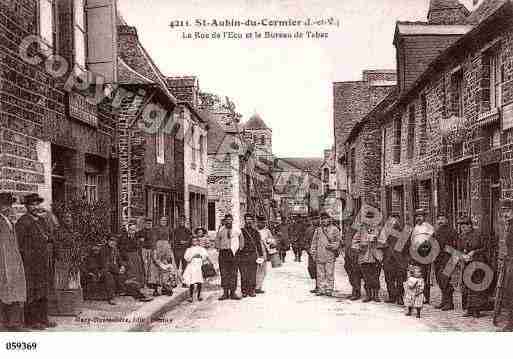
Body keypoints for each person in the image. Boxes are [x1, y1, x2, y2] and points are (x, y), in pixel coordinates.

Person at [15, 193, 56, 330]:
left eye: (38, 203)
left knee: (43, 291)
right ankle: (31, 321)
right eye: (32, 204)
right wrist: (28, 258)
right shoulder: (23, 222)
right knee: (32, 292)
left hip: (43, 262)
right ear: (27, 206)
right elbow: (19, 245)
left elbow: (50, 236)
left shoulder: (42, 220)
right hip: (30, 264)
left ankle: (43, 319)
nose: (36, 207)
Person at [0, 193, 26, 331]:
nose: (9, 208)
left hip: (13, 262)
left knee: (15, 291)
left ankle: (14, 323)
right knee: (4, 291)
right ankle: (4, 323)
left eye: (9, 204)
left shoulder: (10, 222)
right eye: (5, 205)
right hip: (3, 263)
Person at [459, 216, 487, 318]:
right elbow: (459, 249)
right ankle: (469, 309)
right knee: (467, 286)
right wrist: (462, 255)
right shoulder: (461, 236)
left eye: (465, 226)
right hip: (467, 263)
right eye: (462, 227)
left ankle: (477, 310)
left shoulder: (478, 234)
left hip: (479, 263)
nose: (463, 229)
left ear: (470, 225)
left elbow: (485, 248)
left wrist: (474, 252)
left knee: (476, 286)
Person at [380, 212, 409, 305]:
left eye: (396, 219)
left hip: (400, 260)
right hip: (388, 259)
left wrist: (406, 260)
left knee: (400, 280)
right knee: (389, 279)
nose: (394, 221)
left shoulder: (404, 232)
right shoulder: (385, 231)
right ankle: (392, 296)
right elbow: (380, 244)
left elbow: (407, 248)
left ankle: (400, 297)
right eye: (392, 219)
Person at [352, 212, 381, 302]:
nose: (369, 221)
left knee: (376, 276)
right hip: (364, 257)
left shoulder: (379, 229)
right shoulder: (361, 230)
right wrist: (360, 246)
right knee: (366, 277)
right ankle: (368, 295)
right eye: (367, 219)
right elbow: (354, 242)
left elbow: (384, 243)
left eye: (371, 218)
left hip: (376, 257)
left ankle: (376, 295)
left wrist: (377, 241)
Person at [310, 212, 341, 297]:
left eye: (326, 219)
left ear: (329, 219)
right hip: (319, 255)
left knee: (329, 273)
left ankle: (329, 289)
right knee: (320, 274)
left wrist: (332, 246)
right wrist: (313, 253)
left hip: (329, 255)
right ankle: (321, 289)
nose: (324, 221)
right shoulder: (318, 230)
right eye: (322, 219)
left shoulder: (335, 229)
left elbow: (338, 242)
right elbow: (314, 242)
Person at [433, 214, 458, 311]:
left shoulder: (452, 232)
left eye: (442, 219)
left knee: (445, 280)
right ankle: (444, 301)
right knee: (440, 280)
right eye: (438, 219)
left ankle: (450, 303)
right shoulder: (436, 232)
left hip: (449, 259)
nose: (440, 221)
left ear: (447, 220)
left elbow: (456, 246)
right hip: (438, 260)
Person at [410, 209, 434, 304]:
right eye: (417, 216)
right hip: (416, 254)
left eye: (420, 216)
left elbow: (431, 241)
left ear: (424, 217)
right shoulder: (415, 228)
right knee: (417, 275)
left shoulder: (429, 228)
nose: (418, 218)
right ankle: (418, 296)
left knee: (425, 276)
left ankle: (426, 297)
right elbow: (412, 241)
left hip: (425, 254)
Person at [215, 214, 242, 300]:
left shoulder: (236, 229)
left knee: (233, 273)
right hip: (223, 253)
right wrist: (218, 247)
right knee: (224, 273)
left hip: (233, 253)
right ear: (225, 221)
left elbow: (241, 239)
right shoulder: (221, 229)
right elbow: (217, 239)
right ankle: (225, 293)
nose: (228, 221)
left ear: (232, 220)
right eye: (227, 220)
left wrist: (240, 248)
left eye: (230, 220)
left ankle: (233, 293)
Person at [237, 213, 264, 298]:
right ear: (244, 220)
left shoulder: (255, 232)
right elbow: (237, 244)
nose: (248, 221)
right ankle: (244, 291)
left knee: (252, 273)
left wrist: (261, 255)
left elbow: (258, 244)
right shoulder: (240, 231)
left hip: (252, 255)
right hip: (243, 255)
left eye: (250, 219)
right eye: (247, 219)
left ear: (252, 221)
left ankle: (251, 290)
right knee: (244, 274)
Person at [498, 199, 513, 331]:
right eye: (503, 211)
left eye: (508, 210)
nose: (505, 214)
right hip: (510, 260)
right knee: (509, 292)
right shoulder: (509, 224)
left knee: (510, 292)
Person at [148, 228, 176, 297]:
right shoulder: (161, 244)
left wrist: (165, 262)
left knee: (162, 274)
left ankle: (162, 288)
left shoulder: (163, 244)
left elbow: (168, 255)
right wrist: (163, 263)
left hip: (160, 262)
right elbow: (167, 255)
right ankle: (159, 289)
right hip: (158, 262)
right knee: (157, 273)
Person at [183, 237, 210, 302]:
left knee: (199, 281)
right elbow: (186, 258)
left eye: (196, 241)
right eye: (193, 241)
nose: (194, 242)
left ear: (198, 242)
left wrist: (201, 256)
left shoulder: (201, 249)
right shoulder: (189, 249)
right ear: (191, 242)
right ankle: (191, 296)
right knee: (192, 282)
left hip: (199, 266)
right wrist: (192, 256)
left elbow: (205, 256)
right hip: (192, 266)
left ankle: (199, 295)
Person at [118, 222, 145, 286]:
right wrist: (126, 256)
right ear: (128, 229)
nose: (132, 231)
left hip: (135, 256)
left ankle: (138, 284)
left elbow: (138, 247)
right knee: (130, 269)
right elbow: (121, 248)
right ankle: (130, 285)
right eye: (131, 229)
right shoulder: (123, 237)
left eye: (134, 230)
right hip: (126, 256)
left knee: (138, 269)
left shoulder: (136, 237)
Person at [342, 214, 361, 300]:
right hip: (348, 255)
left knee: (355, 274)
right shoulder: (347, 231)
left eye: (349, 222)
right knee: (351, 273)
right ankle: (354, 290)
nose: (347, 224)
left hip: (355, 255)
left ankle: (356, 292)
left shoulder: (357, 231)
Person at [256, 215, 275, 294]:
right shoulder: (254, 231)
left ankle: (259, 287)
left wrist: (270, 242)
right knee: (256, 270)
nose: (260, 224)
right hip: (255, 252)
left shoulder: (267, 231)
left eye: (262, 223)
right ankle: (255, 287)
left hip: (264, 253)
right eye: (259, 222)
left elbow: (272, 241)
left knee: (263, 271)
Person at [137, 218, 156, 288]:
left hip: (151, 250)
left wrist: (154, 249)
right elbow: (138, 241)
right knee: (144, 265)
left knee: (151, 266)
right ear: (144, 224)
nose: (149, 225)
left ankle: (149, 281)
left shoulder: (153, 232)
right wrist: (141, 241)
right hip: (144, 250)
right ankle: (144, 281)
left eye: (150, 223)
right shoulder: (140, 232)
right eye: (147, 223)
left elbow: (154, 241)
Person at [304, 212, 320, 293]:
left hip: (321, 252)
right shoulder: (309, 230)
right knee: (311, 268)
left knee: (320, 270)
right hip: (311, 253)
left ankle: (319, 286)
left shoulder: (322, 229)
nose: (315, 221)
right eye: (313, 219)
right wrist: (308, 250)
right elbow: (306, 241)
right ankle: (318, 285)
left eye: (316, 218)